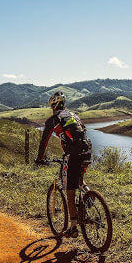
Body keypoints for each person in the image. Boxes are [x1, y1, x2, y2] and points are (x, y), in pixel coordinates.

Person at [35, 91, 92, 238]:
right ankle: (89, 194)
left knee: (70, 191)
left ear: (53, 106)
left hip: (72, 155)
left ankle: (73, 227)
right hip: (86, 151)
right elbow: (83, 132)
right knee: (78, 179)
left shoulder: (53, 120)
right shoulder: (74, 115)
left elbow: (44, 142)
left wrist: (40, 158)